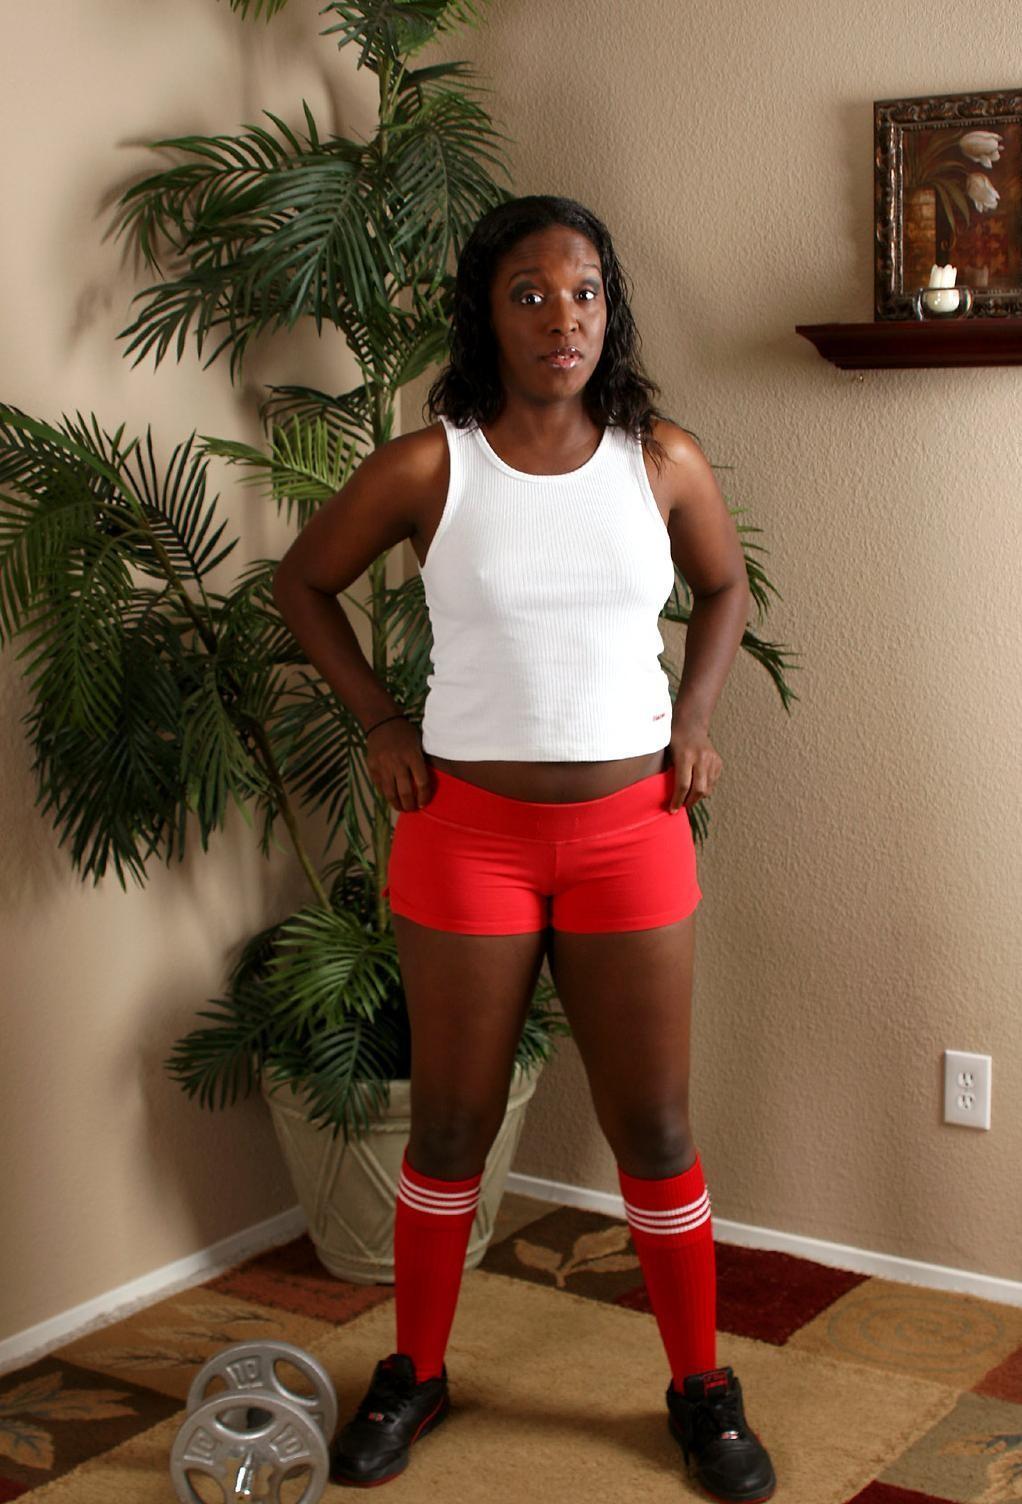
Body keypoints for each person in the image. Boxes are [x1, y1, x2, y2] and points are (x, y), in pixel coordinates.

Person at [271, 194, 776, 1502]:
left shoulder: (661, 460)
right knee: (449, 1123)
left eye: (585, 291)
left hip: (630, 837)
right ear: (485, 314)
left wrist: (695, 719)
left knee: (653, 1127)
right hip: (467, 844)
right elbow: (300, 583)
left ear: (611, 310)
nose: (564, 318)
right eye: (532, 294)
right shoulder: (427, 467)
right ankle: (416, 1372)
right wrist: (380, 720)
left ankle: (700, 1388)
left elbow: (723, 586)